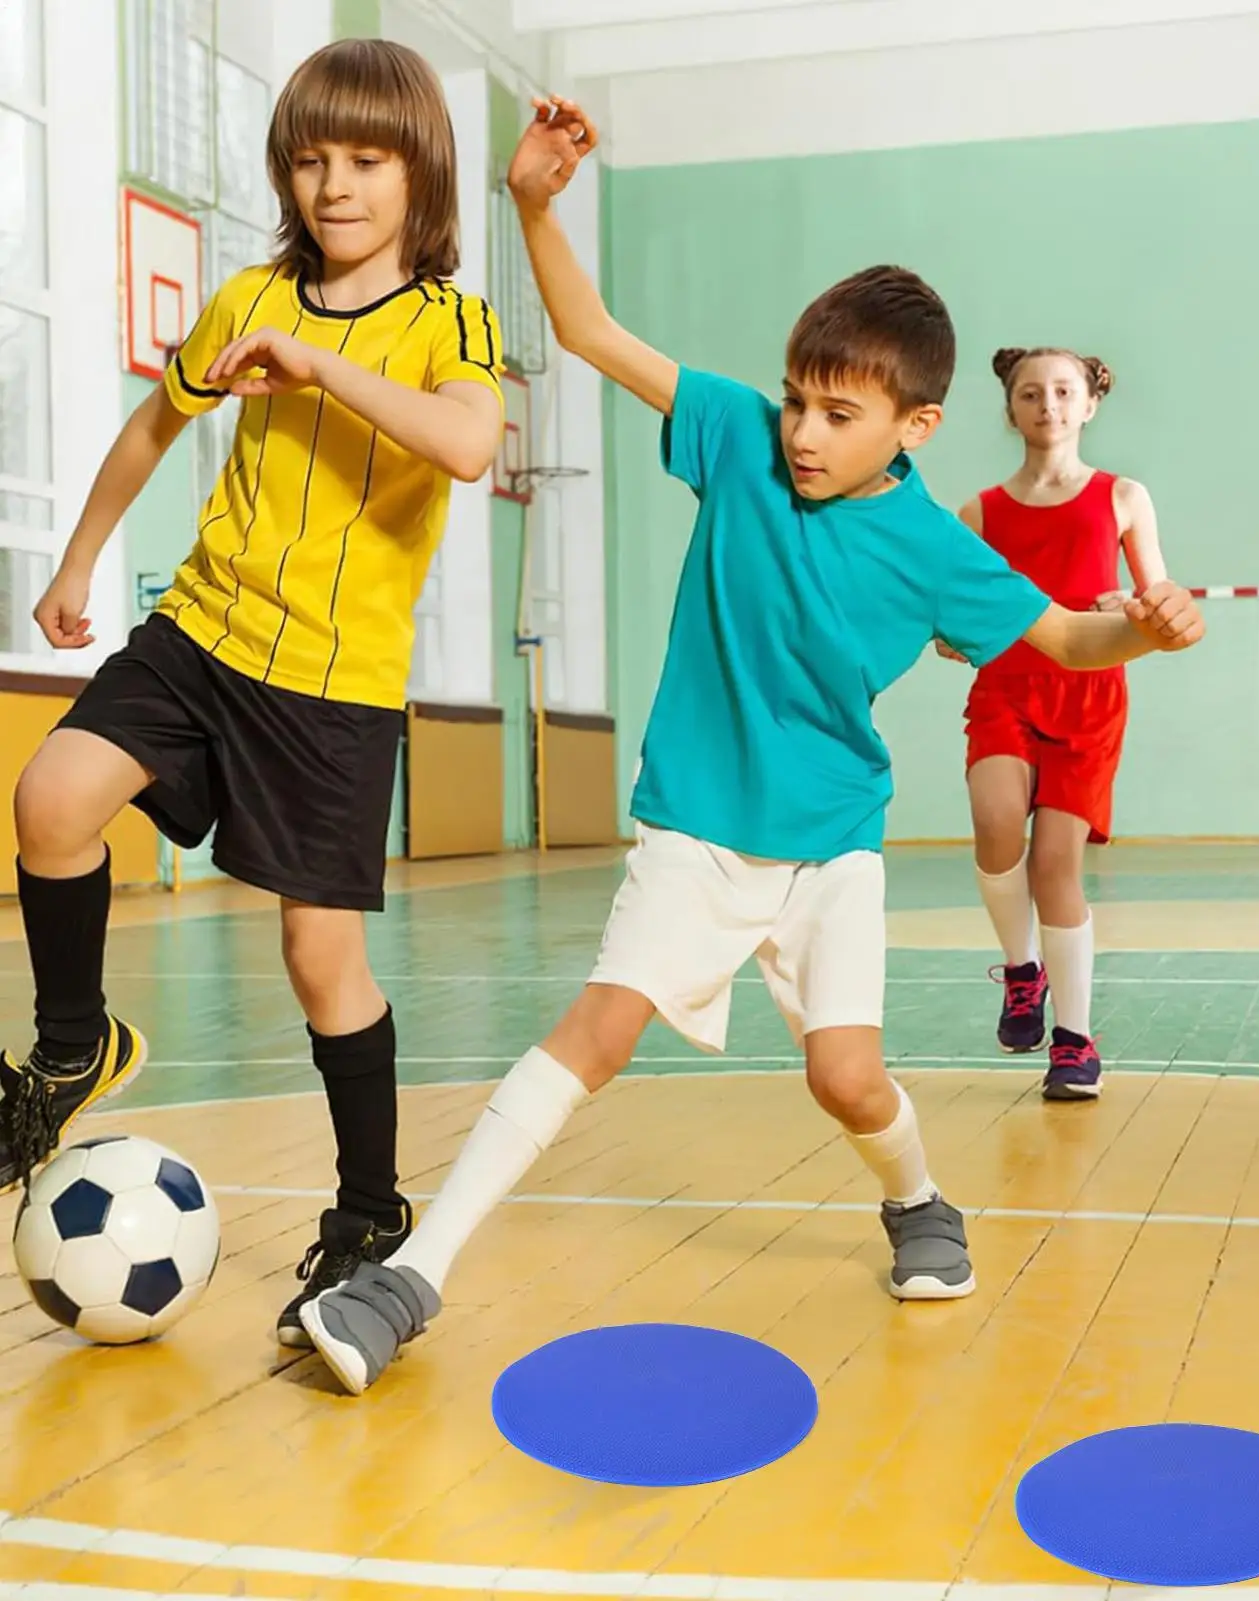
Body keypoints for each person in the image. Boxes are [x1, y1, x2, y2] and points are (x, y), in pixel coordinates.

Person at [298, 95, 1205, 1396]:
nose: (802, 431)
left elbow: (1064, 639)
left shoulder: (943, 548)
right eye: (796, 400)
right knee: (598, 1032)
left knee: (846, 1079)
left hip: (832, 845)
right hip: (695, 826)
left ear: (916, 428)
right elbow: (590, 331)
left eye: (838, 413)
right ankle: (414, 1273)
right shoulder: (732, 439)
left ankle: (918, 1202)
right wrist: (534, 204)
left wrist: (1147, 633)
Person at [1, 39, 505, 1345]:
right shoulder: (242, 297)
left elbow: (463, 442)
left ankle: (367, 1210)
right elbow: (149, 429)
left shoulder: (452, 320)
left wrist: (317, 365)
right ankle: (72, 1046)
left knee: (315, 951)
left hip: (332, 684)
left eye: (366, 158)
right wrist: (75, 559)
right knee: (52, 797)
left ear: (417, 172)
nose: (333, 183)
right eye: (310, 157)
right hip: (203, 633)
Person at [939, 346, 1168, 1101]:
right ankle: (1020, 970)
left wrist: (1129, 608)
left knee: (1054, 866)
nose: (1048, 404)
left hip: (1090, 698)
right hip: (1005, 687)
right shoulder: (980, 512)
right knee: (995, 818)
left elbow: (1156, 598)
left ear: (1089, 403)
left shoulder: (1123, 496)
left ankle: (1073, 1038)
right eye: (1030, 393)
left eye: (1063, 391)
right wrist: (953, 630)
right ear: (1010, 409)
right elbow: (951, 617)